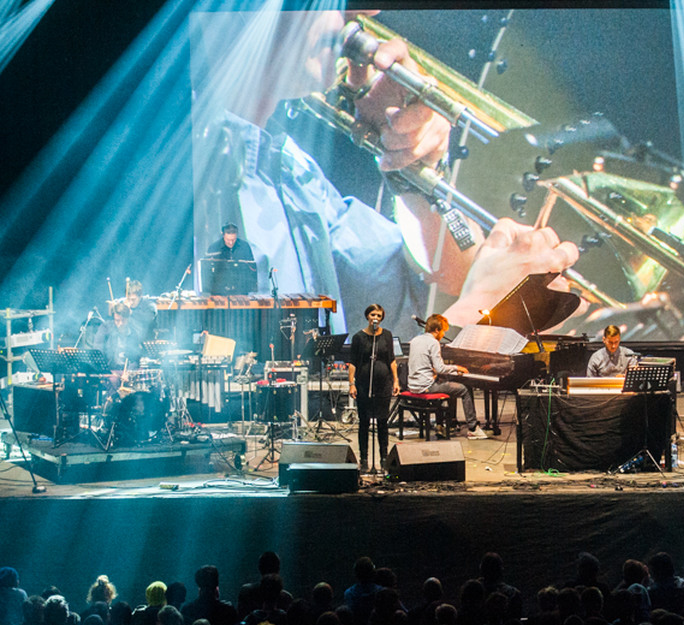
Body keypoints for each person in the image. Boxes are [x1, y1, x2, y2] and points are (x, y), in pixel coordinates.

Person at [191, 11, 579, 337]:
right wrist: (482, 313)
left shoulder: (291, 170)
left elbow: (433, 285)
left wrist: (411, 168)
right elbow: (261, 400)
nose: (369, 9)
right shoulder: (187, 171)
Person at [407, 314, 487, 440]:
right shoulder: (433, 343)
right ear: (437, 330)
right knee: (465, 389)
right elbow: (440, 369)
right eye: (443, 331)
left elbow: (423, 364)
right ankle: (473, 429)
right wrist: (457, 368)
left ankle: (443, 425)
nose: (444, 334)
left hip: (413, 385)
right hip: (427, 387)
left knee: (447, 383)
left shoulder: (416, 340)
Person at [348, 304, 400, 472]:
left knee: (382, 421)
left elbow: (391, 360)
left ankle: (384, 457)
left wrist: (396, 381)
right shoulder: (358, 337)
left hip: (383, 383)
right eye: (372, 314)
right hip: (364, 384)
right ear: (367, 316)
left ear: (382, 317)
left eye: (378, 314)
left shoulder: (386, 335)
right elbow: (353, 362)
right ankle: (364, 459)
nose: (375, 317)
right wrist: (351, 383)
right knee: (364, 422)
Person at [92, 304, 142, 369]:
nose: (120, 324)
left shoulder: (133, 333)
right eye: (117, 320)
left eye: (123, 320)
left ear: (128, 319)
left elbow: (135, 359)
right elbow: (98, 350)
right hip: (110, 369)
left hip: (126, 370)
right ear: (113, 319)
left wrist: (129, 372)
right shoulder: (105, 328)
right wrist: (105, 370)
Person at [115, 280, 156, 344]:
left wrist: (131, 312)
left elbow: (148, 318)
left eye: (133, 299)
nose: (130, 302)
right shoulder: (124, 304)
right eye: (129, 299)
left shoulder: (149, 305)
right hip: (128, 344)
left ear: (140, 296)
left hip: (146, 342)